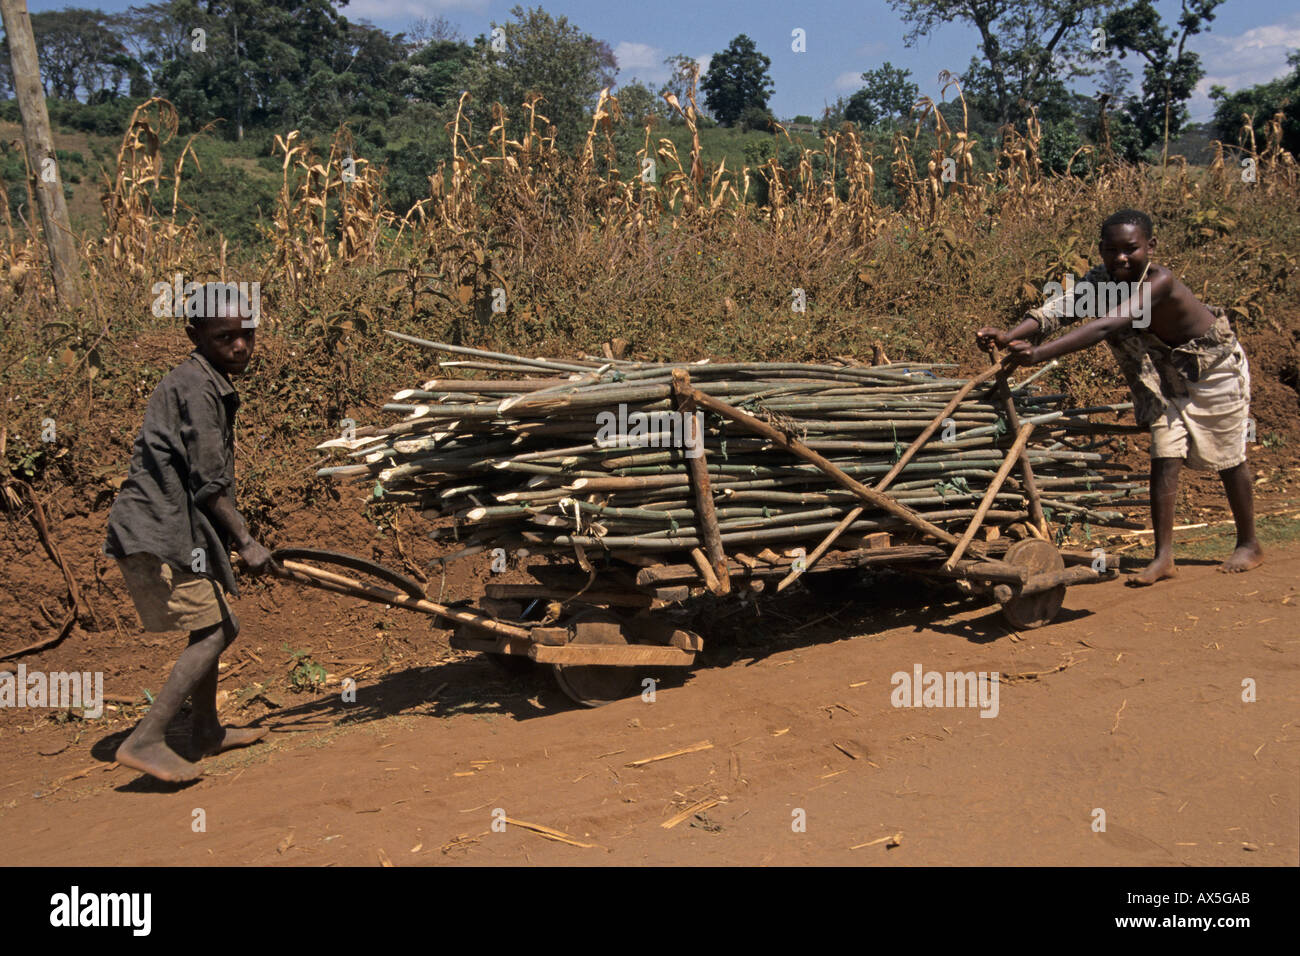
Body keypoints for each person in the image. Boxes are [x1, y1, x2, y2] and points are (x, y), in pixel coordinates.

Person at [976, 208, 1262, 585]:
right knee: (1164, 453)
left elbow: (1107, 324)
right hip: (1162, 376)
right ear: (1101, 250)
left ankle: (1249, 542)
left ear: (1151, 246)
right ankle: (1163, 557)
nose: (1121, 258)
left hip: (1212, 371)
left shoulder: (1159, 282)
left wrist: (1040, 354)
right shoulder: (1102, 281)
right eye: (1112, 250)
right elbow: (1062, 309)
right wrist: (1010, 335)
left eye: (1131, 249)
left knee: (1228, 457)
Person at [104, 283, 277, 782]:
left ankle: (206, 731)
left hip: (176, 530)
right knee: (216, 630)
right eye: (226, 337)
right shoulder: (198, 388)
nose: (241, 346)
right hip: (157, 533)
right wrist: (246, 542)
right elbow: (208, 484)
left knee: (221, 624)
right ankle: (146, 739)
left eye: (248, 335)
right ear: (194, 334)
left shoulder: (203, 379)